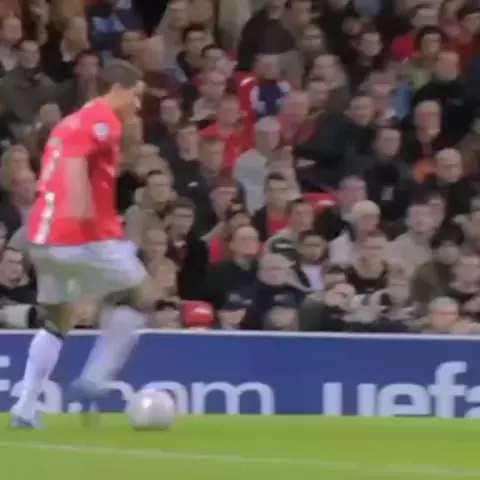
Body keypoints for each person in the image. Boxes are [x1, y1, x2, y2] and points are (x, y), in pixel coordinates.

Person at [11, 59, 158, 429]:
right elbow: (78, 163)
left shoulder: (69, 123)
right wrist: (81, 209)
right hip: (78, 233)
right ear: (117, 90)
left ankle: (25, 408)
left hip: (43, 237)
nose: (137, 104)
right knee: (142, 295)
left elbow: (79, 165)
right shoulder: (102, 120)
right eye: (135, 96)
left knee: (57, 321)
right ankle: (94, 379)